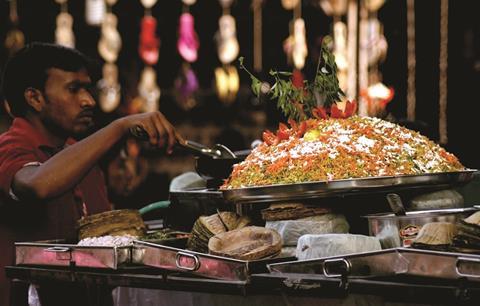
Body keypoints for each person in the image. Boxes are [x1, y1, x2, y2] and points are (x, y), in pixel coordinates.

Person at [0, 42, 180, 306]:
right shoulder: (10, 147)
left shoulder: (80, 156)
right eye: (74, 89)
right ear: (34, 98)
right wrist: (118, 128)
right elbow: (36, 185)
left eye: (87, 88)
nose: (89, 101)